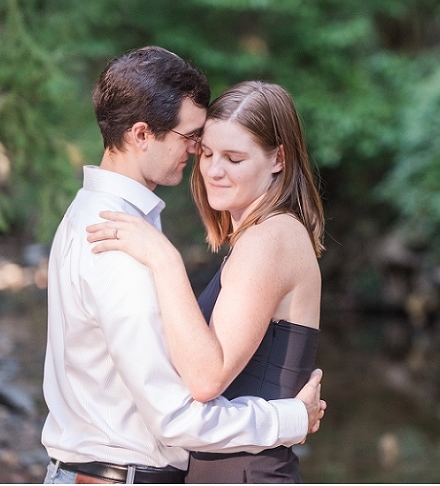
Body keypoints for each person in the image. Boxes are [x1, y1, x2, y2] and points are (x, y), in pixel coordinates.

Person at [42, 48, 325, 485]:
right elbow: (176, 415)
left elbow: (199, 380)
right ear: (141, 134)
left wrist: (165, 260)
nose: (200, 159)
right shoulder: (117, 237)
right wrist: (291, 418)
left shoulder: (100, 219)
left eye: (231, 157)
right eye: (196, 143)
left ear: (278, 159)